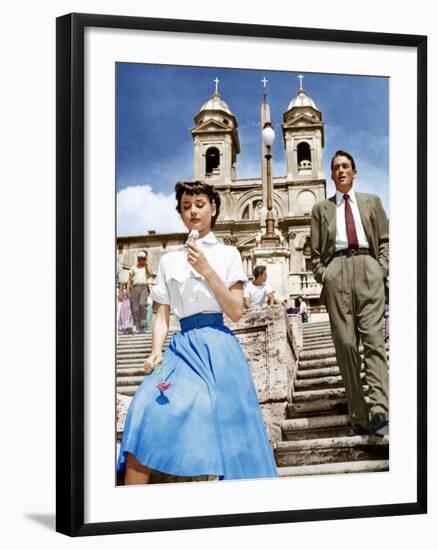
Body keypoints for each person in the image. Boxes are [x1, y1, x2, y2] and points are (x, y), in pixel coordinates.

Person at [117, 180, 278, 484]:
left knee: (232, 431)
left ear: (213, 208)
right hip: (181, 348)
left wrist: (206, 269)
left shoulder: (229, 254)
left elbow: (235, 310)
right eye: (186, 206)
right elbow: (162, 314)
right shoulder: (168, 260)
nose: (193, 212)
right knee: (143, 408)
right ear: (180, 212)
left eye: (200, 205)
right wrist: (155, 351)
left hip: (218, 347)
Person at [310, 150, 389, 438]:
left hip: (369, 269)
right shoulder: (321, 209)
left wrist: (381, 269)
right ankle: (358, 415)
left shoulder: (372, 202)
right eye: (336, 167)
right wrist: (326, 275)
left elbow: (385, 240)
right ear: (331, 175)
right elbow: (314, 253)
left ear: (354, 172)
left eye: (345, 166)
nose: (341, 170)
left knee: (374, 343)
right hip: (337, 272)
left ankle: (381, 410)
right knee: (346, 345)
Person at [127, 250, 151, 333]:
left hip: (144, 287)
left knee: (142, 304)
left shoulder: (146, 268)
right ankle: (137, 325)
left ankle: (143, 323)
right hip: (134, 288)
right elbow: (129, 280)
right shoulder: (133, 268)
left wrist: (147, 264)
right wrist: (127, 290)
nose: (142, 260)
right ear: (138, 259)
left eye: (144, 259)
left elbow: (151, 273)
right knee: (135, 308)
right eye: (140, 258)